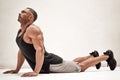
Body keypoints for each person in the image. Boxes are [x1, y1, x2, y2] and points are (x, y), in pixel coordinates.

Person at [3, 7, 117, 77]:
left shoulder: (32, 29)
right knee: (71, 64)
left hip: (50, 63)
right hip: (50, 63)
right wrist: (17, 69)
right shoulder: (20, 31)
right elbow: (22, 51)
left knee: (79, 68)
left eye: (23, 12)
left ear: (30, 17)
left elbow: (40, 50)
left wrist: (36, 72)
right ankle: (92, 56)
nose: (19, 13)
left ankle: (106, 56)